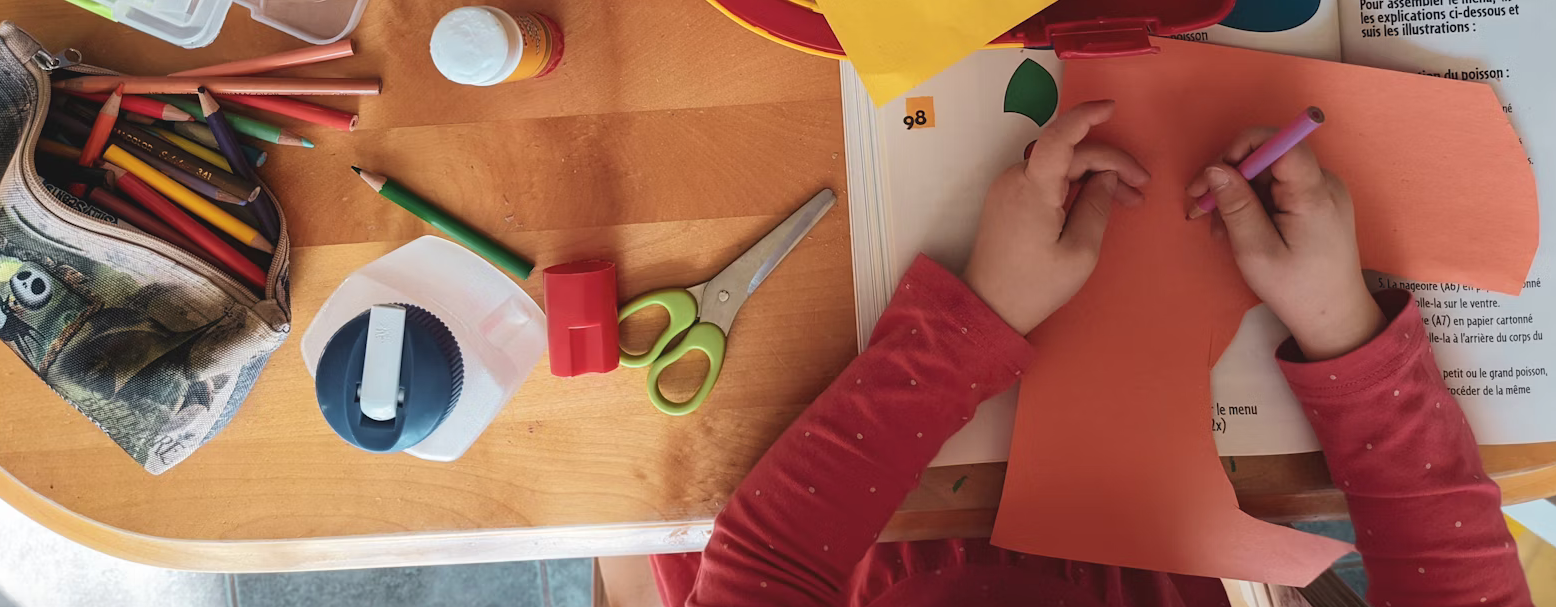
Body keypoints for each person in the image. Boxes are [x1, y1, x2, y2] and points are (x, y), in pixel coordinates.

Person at [650, 100, 1533, 606]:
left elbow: (769, 561)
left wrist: (974, 322)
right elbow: (1458, 580)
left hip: (877, 546)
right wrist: (1342, 326)